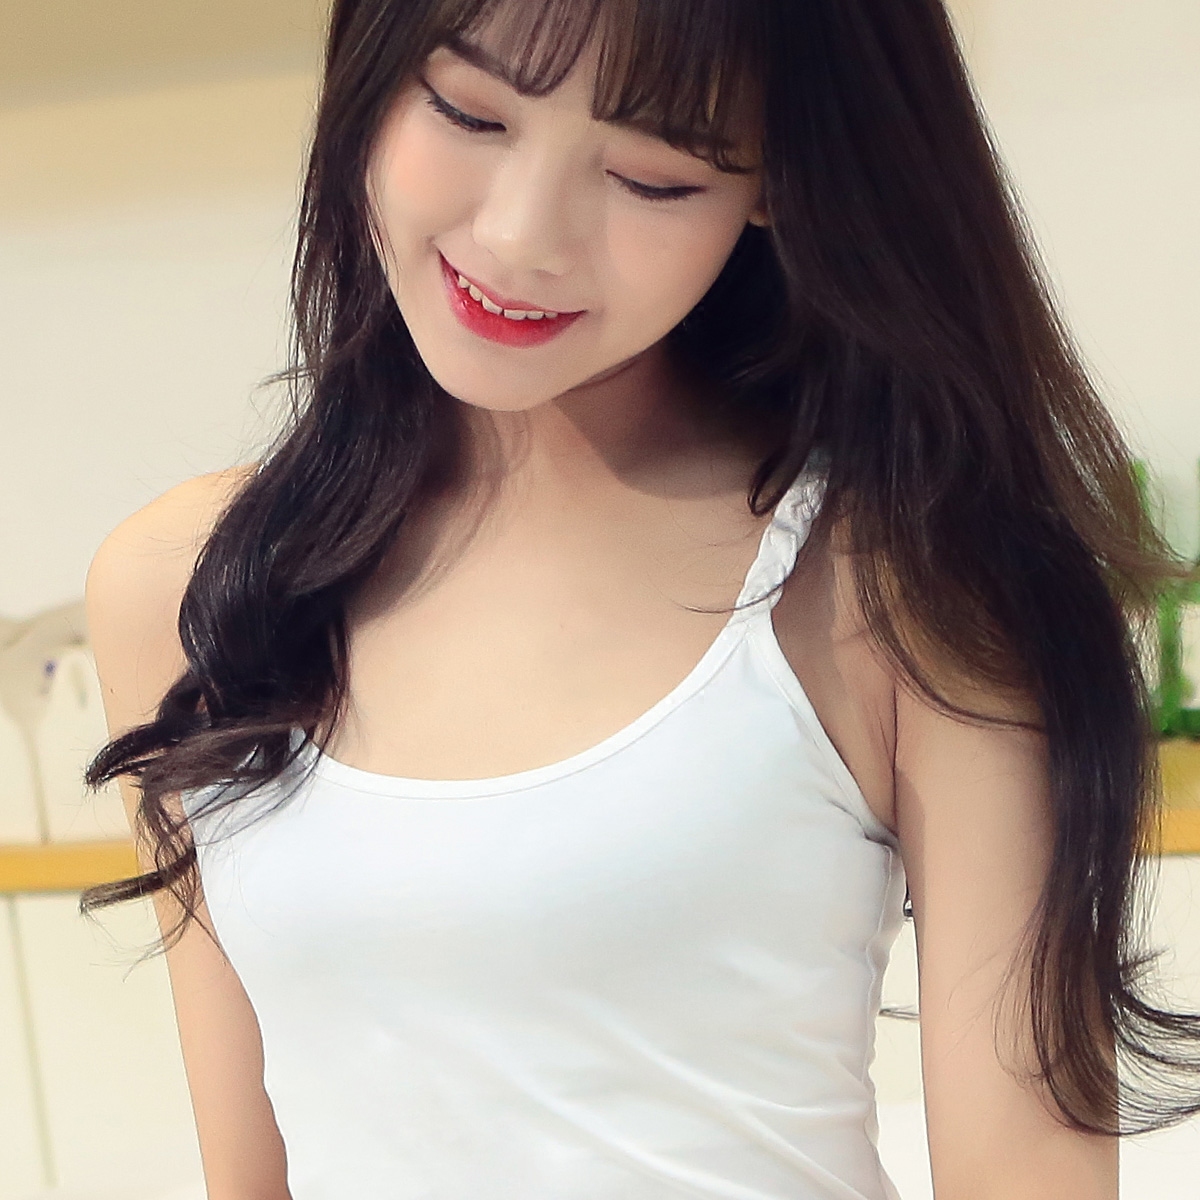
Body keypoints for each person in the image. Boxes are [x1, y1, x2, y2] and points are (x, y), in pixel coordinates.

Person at [83, 1, 1200, 1197]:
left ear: (777, 181)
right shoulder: (191, 591)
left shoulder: (897, 581)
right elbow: (249, 1174)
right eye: (469, 110)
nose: (521, 238)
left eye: (652, 176)